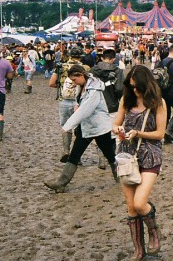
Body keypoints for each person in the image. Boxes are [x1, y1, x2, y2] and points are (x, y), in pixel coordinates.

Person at [111, 64, 167, 261]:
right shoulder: (126, 101)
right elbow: (116, 123)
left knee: (140, 202)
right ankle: (138, 251)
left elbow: (160, 134)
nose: (134, 90)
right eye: (131, 86)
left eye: (137, 86)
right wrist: (118, 130)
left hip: (150, 155)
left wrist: (138, 133)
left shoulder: (158, 103)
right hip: (127, 155)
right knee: (131, 207)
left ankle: (153, 231)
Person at [44, 63, 118, 192]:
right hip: (87, 126)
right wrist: (77, 106)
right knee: (75, 154)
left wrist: (68, 125)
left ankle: (121, 179)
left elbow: (86, 109)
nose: (74, 82)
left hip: (99, 127)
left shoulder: (94, 89)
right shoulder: (83, 86)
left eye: (74, 79)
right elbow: (82, 105)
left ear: (82, 75)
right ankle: (61, 182)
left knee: (110, 155)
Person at [50, 47, 85, 159]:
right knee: (79, 129)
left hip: (64, 100)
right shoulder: (84, 68)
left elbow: (51, 83)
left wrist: (61, 87)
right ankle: (76, 155)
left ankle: (66, 151)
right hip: (79, 101)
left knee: (66, 126)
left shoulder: (61, 67)